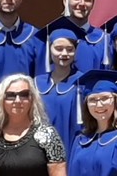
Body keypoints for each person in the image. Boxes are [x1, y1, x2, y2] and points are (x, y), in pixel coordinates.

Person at [37, 19, 87, 150]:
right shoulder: (37, 83)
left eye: (70, 49)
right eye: (58, 49)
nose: (64, 54)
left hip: (72, 146)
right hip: (40, 148)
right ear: (49, 49)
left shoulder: (83, 82)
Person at [55, 0, 110, 70]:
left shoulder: (103, 40)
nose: (82, 3)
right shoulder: (52, 36)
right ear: (65, 1)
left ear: (93, 3)